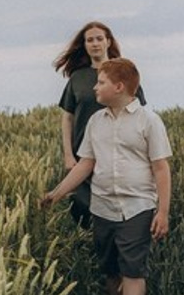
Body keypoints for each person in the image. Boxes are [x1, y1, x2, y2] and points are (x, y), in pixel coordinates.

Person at [40, 58, 171, 295]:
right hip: (102, 207)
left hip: (138, 205)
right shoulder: (96, 122)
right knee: (111, 269)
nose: (95, 87)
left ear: (119, 86)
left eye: (100, 82)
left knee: (133, 268)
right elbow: (86, 164)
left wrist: (162, 212)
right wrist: (57, 193)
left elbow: (161, 169)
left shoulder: (149, 121)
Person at [52, 21, 145, 227]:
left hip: (119, 152)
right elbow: (68, 117)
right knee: (82, 206)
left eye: (99, 38)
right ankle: (89, 248)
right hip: (83, 155)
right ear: (84, 45)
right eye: (89, 40)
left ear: (108, 42)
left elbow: (139, 112)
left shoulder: (124, 73)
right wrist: (68, 154)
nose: (95, 44)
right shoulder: (78, 77)